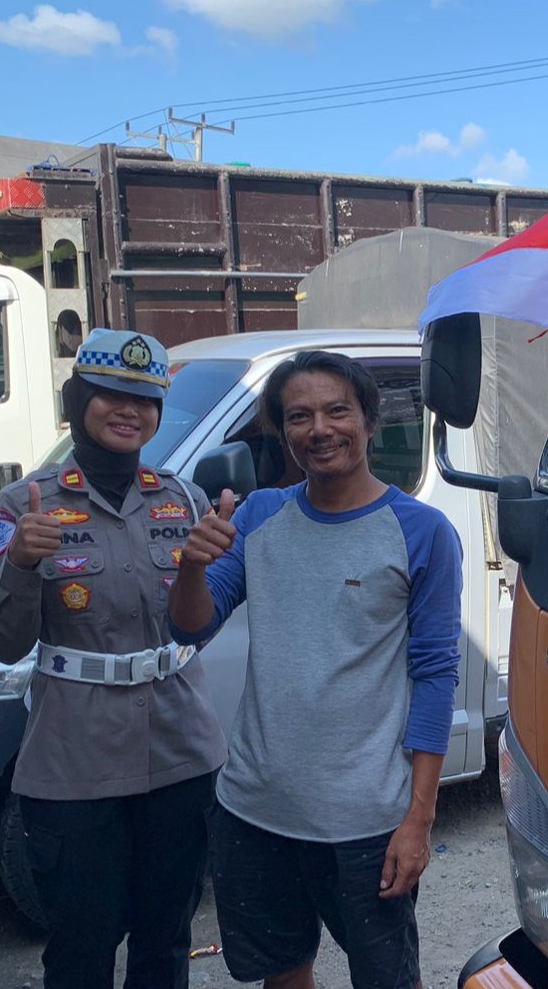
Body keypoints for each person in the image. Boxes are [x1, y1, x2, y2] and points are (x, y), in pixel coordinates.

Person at [168, 350, 462, 989]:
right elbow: (191, 626)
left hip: (366, 821)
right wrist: (191, 567)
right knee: (281, 974)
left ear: (369, 420)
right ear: (282, 432)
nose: (320, 429)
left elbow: (437, 675)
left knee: (386, 978)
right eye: (299, 416)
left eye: (337, 411)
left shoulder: (422, 531)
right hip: (254, 809)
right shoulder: (259, 516)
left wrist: (419, 818)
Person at [0, 328, 227, 989]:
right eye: (111, 394)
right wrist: (21, 563)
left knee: (165, 942)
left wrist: (199, 567)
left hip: (179, 751)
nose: (129, 411)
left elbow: (197, 628)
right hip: (74, 762)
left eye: (145, 400)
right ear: (78, 400)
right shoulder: (23, 506)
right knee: (81, 948)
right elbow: (1, 642)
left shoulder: (183, 500)